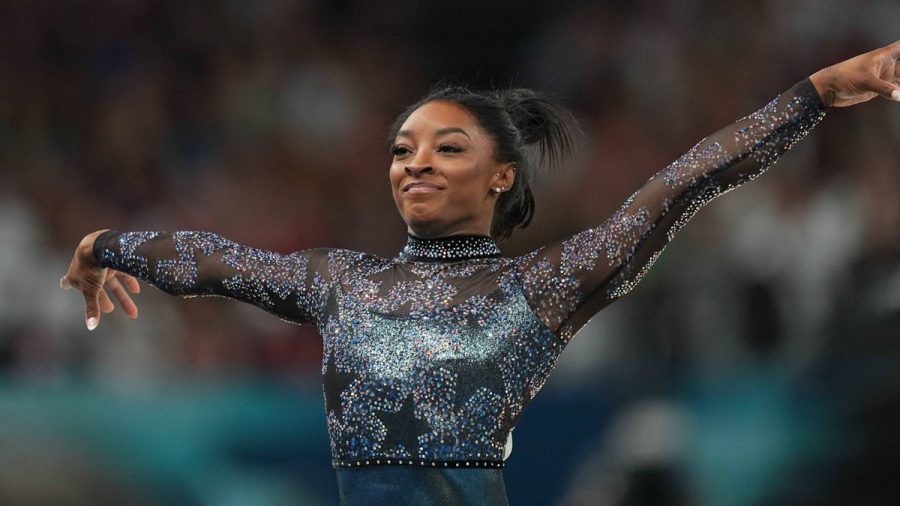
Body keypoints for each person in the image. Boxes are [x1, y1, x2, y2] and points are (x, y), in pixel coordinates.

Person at [61, 41, 900, 505]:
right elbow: (214, 260)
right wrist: (105, 245)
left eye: (446, 147)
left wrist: (820, 93)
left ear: (502, 176)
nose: (413, 164)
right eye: (401, 150)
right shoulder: (341, 282)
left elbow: (684, 183)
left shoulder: (541, 285)